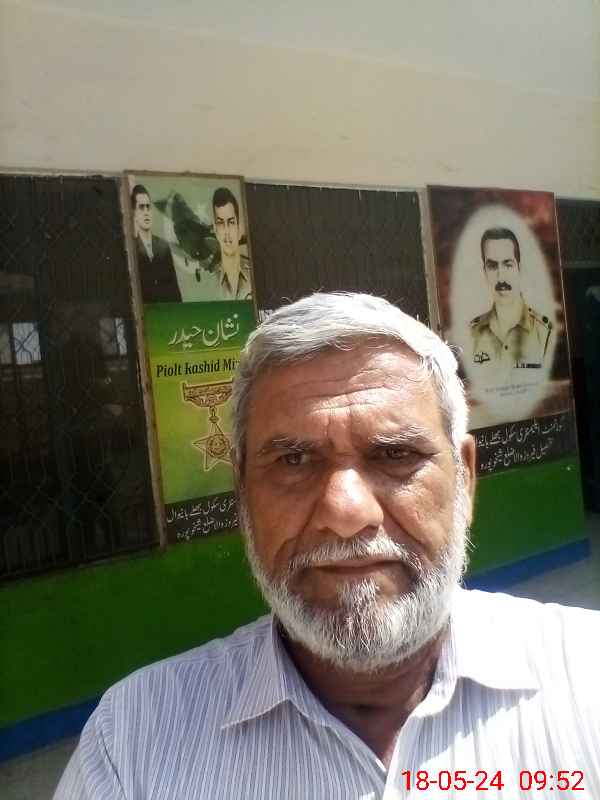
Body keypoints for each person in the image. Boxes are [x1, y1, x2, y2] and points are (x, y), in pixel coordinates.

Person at [55, 293, 600, 799]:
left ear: (465, 480)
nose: (346, 513)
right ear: (243, 495)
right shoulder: (131, 747)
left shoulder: (586, 677)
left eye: (395, 455)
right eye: (293, 460)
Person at [470, 227, 552, 371]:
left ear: (519, 268)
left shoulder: (544, 332)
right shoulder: (472, 335)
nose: (501, 277)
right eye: (492, 266)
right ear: (485, 271)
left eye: (508, 265)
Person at [196, 187, 252, 301]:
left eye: (231, 222)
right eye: (221, 223)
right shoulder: (208, 283)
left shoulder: (254, 273)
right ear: (215, 230)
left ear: (239, 228)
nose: (226, 231)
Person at [131, 184, 182, 303]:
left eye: (148, 207)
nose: (146, 212)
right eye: (141, 207)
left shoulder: (163, 247)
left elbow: (175, 291)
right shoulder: (132, 248)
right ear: (134, 213)